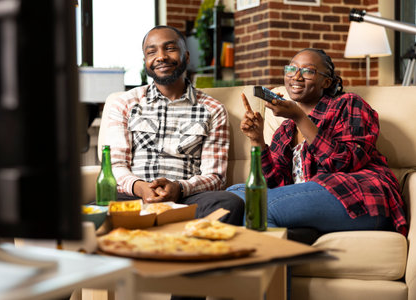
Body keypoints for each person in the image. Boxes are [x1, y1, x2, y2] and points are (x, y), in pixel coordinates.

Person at [227, 48, 408, 237]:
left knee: (260, 207)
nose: (296, 76)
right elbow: (274, 183)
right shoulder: (285, 131)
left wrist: (299, 117)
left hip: (360, 198)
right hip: (309, 202)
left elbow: (344, 163)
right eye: (291, 69)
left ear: (326, 81)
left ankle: (285, 249)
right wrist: (257, 140)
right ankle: (298, 239)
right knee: (234, 195)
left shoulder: (348, 104)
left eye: (308, 71)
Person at [101, 25, 244, 226]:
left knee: (229, 203)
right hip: (134, 198)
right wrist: (141, 187)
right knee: (88, 210)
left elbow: (215, 177)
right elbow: (116, 165)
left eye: (170, 48)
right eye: (152, 52)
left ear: (186, 55)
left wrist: (180, 188)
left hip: (187, 200)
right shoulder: (125, 103)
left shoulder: (213, 109)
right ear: (145, 62)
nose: (161, 57)